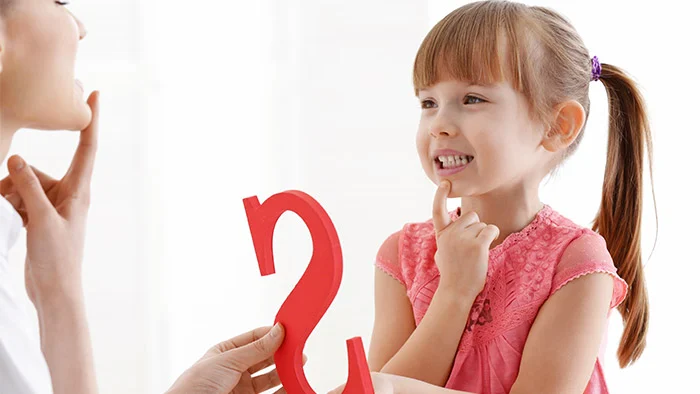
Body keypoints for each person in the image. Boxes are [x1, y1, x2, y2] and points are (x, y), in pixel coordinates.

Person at [368, 1, 656, 393]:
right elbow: (382, 389)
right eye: (428, 103)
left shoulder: (575, 263)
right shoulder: (402, 255)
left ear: (558, 125)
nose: (439, 125)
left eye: (472, 99)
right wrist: (454, 292)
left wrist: (459, 287)